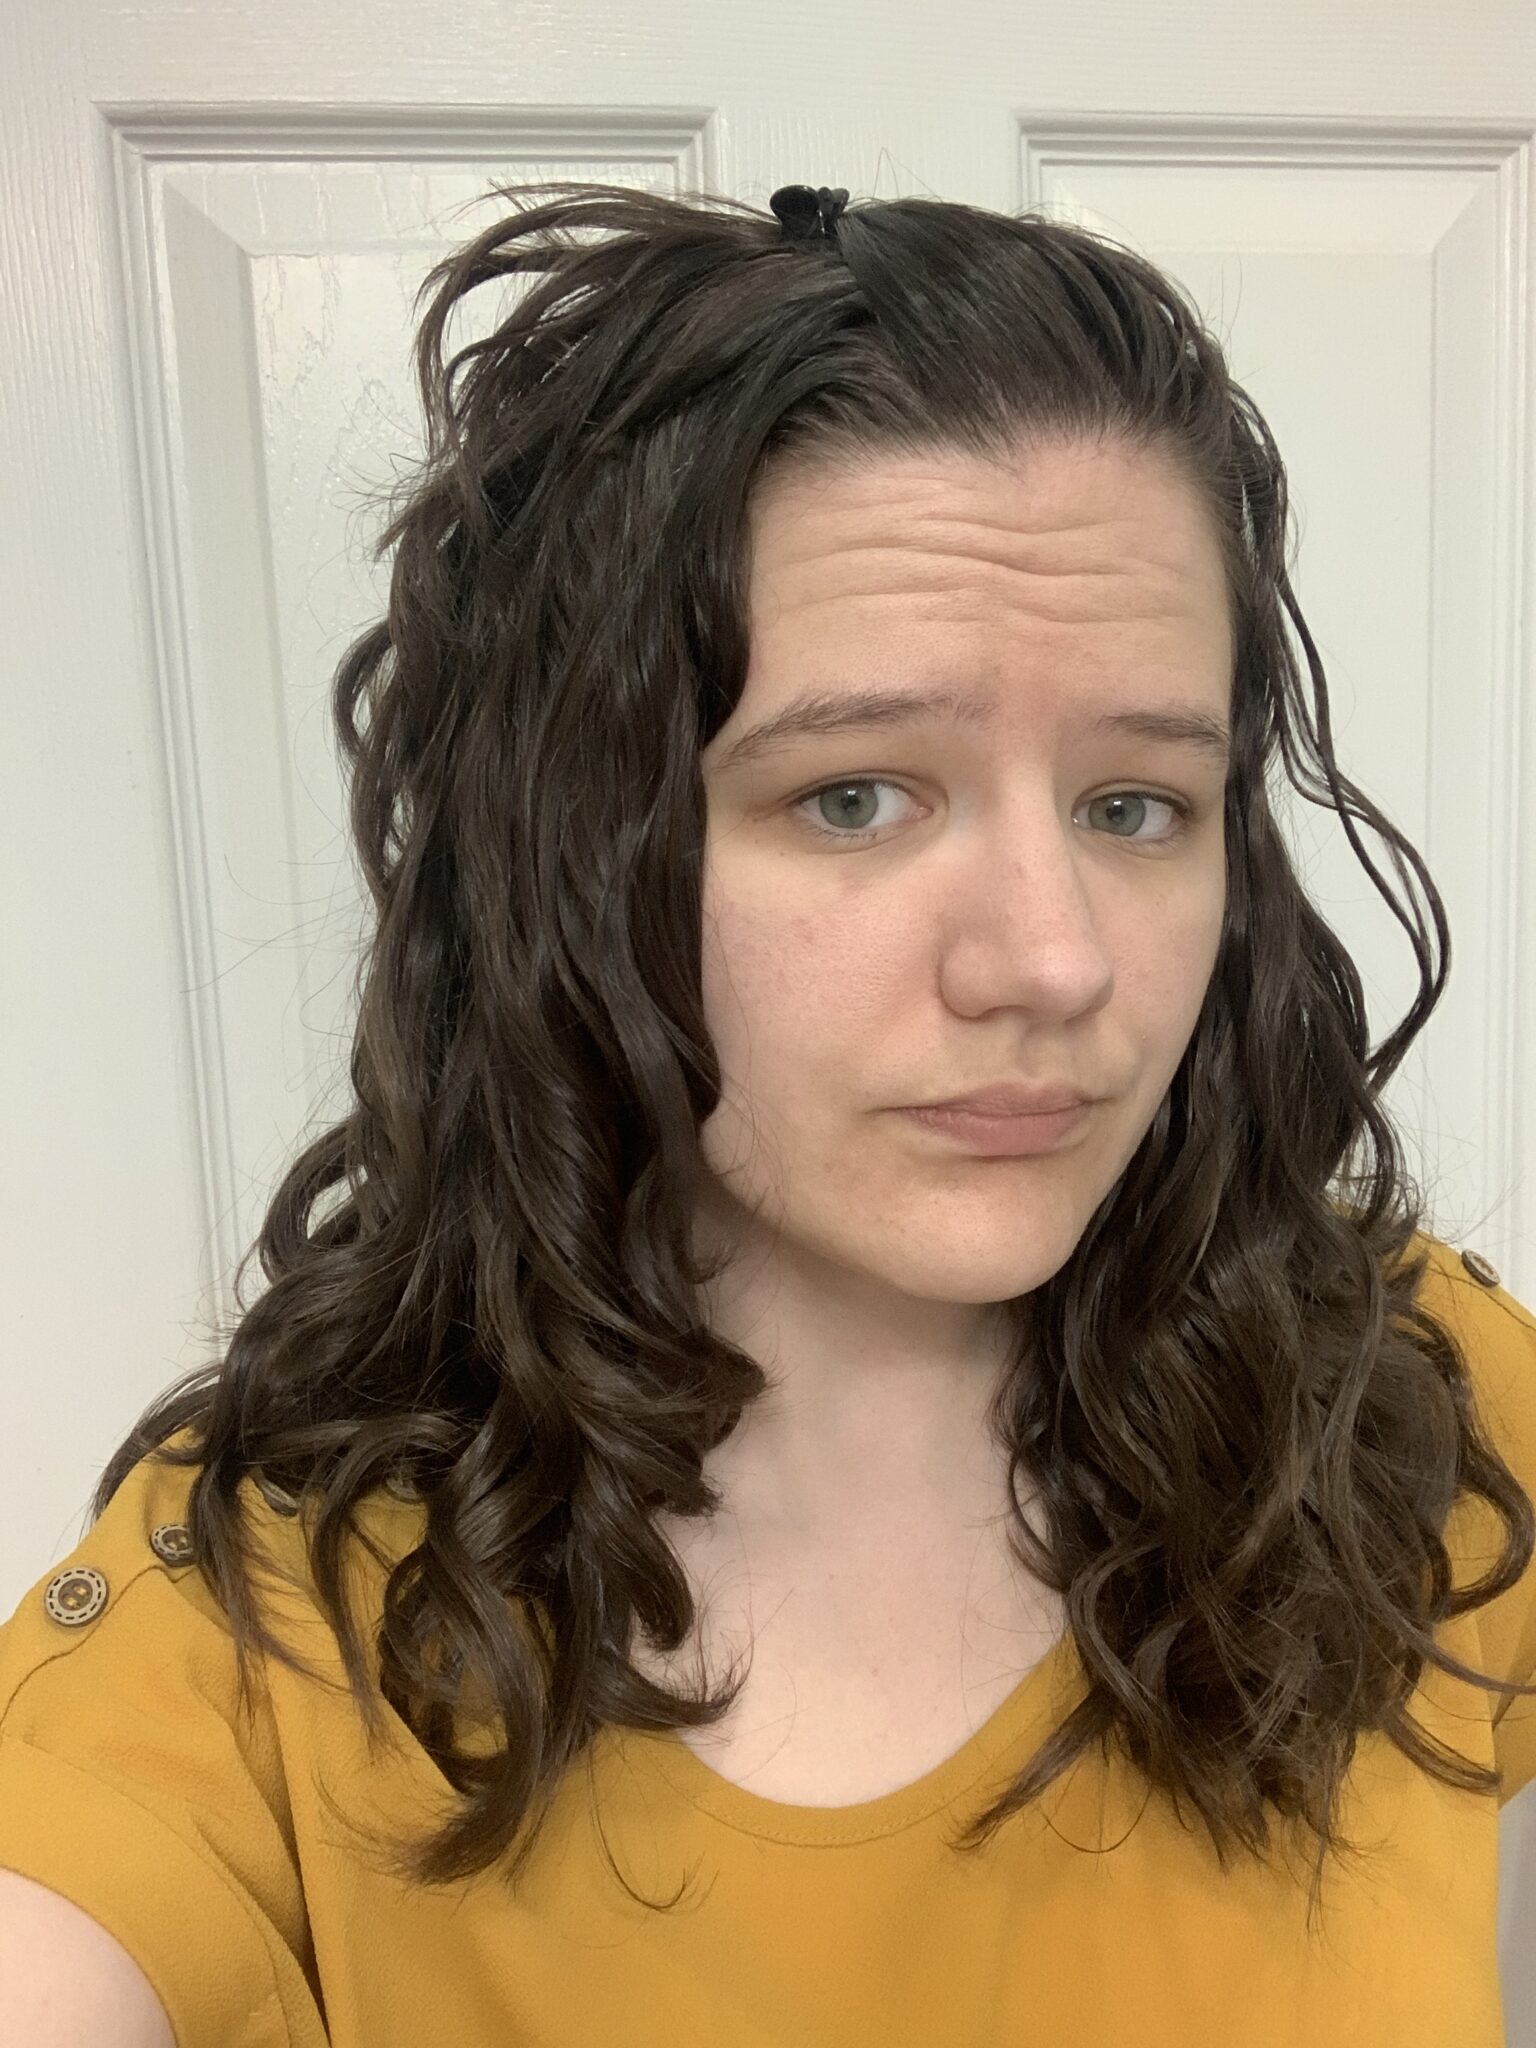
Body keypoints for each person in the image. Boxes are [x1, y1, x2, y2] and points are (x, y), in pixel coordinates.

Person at [2, 178, 1534, 2048]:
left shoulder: (1417, 1404)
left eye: (1135, 805)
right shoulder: (274, 1611)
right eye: (855, 797)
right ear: (578, 849)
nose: (1053, 961)